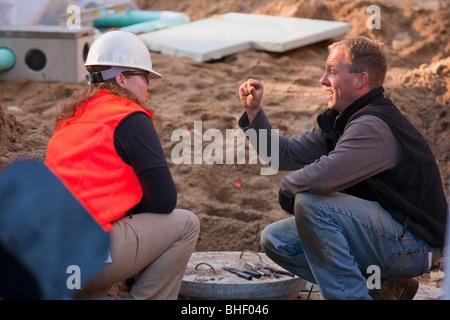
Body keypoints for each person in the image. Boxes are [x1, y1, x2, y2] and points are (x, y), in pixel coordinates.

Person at [238, 36, 448, 300]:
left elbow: (324, 176)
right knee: (277, 240)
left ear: (360, 80)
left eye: (332, 72)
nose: (322, 80)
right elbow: (284, 155)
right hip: (389, 235)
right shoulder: (344, 119)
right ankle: (382, 286)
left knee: (312, 204)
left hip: (414, 247)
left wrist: (288, 189)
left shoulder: (371, 125)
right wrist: (254, 113)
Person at [45, 30, 200, 300]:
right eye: (145, 77)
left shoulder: (71, 118)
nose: (148, 86)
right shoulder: (130, 118)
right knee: (186, 224)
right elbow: (164, 200)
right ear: (121, 78)